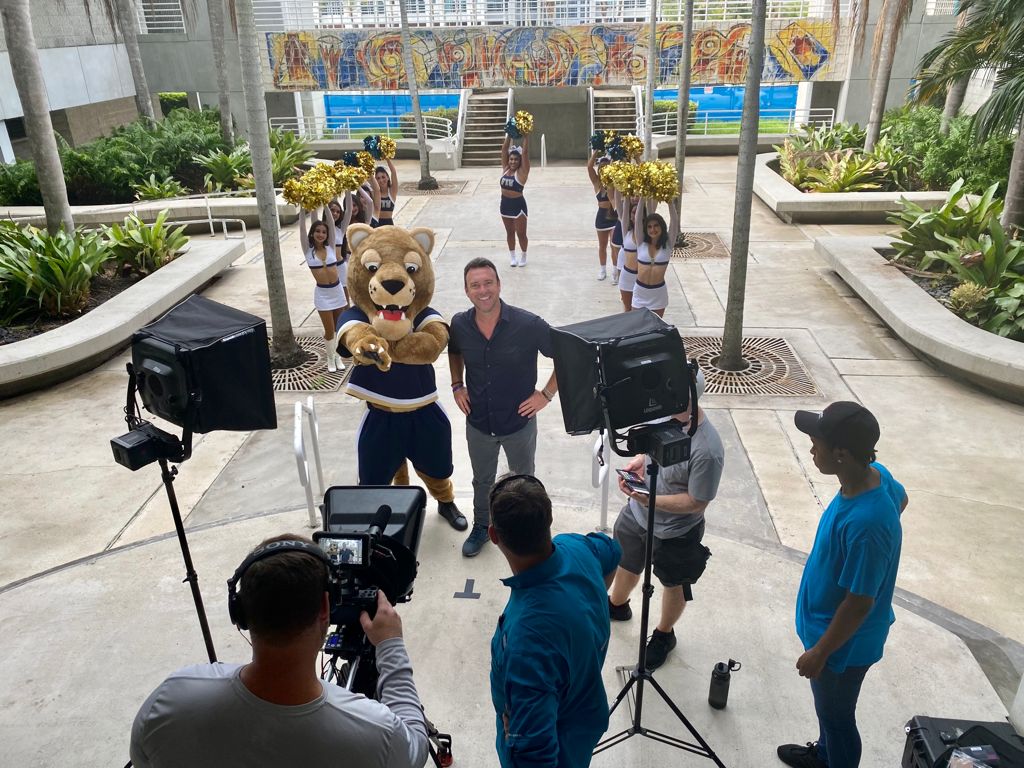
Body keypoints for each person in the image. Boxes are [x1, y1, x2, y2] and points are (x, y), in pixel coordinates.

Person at [130, 534, 429, 768]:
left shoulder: (169, 699)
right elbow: (416, 744)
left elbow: (143, 758)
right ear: (325, 608)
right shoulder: (378, 734)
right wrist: (390, 646)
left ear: (241, 612)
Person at [777, 402, 907, 768]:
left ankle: (835, 758)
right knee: (830, 716)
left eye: (815, 443)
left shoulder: (867, 524)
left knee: (837, 719)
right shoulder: (876, 474)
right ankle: (825, 754)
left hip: (841, 648)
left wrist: (821, 652)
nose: (811, 449)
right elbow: (903, 499)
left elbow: (859, 602)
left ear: (841, 453)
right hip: (831, 634)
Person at [488, 474, 622, 768]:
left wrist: (517, 742)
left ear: (494, 535)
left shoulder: (526, 642)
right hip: (583, 718)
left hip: (562, 749)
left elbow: (536, 758)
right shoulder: (576, 548)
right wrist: (591, 593)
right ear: (549, 519)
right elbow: (613, 552)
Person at [607, 367, 724, 670]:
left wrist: (651, 499)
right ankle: (617, 605)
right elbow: (650, 451)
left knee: (673, 584)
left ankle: (663, 634)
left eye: (674, 399)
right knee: (626, 562)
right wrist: (639, 462)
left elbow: (697, 502)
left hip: (675, 532)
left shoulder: (708, 449)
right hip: (637, 514)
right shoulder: (661, 418)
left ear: (692, 400)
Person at [448, 257, 557, 557]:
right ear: (467, 291)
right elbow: (454, 351)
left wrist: (545, 395)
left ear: (499, 284)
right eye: (475, 285)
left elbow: (566, 355)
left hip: (518, 424)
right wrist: (457, 385)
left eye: (488, 283)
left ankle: (533, 533)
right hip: (479, 422)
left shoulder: (528, 324)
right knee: (482, 480)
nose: (483, 290)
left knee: (525, 481)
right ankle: (483, 526)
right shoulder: (459, 323)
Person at [299, 209, 345, 373]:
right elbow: (302, 229)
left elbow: (332, 225)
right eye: (317, 231)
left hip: (337, 291)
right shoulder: (308, 251)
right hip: (323, 295)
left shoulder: (331, 247)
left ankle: (338, 356)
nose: (321, 234)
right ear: (312, 234)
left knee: (338, 328)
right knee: (328, 330)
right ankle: (330, 358)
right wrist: (303, 208)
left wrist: (324, 202)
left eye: (324, 232)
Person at [632, 207, 670, 318]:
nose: (653, 229)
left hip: (658, 293)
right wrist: (642, 196)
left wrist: (670, 203)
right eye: (649, 227)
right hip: (640, 292)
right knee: (636, 327)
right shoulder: (641, 243)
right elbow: (638, 219)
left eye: (656, 225)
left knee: (655, 329)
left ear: (662, 226)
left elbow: (674, 221)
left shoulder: (668, 244)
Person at [499, 134, 530, 268]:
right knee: (510, 232)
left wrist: (526, 136)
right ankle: (512, 256)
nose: (512, 162)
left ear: (519, 161)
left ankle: (523, 255)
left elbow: (526, 153)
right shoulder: (505, 169)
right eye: (511, 159)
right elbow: (504, 149)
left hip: (518, 205)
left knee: (521, 233)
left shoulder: (522, 172)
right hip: (505, 204)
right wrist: (509, 134)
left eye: (515, 160)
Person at [587, 151, 617, 281]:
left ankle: (615, 271)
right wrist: (596, 152)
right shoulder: (597, 183)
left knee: (614, 245)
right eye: (601, 168)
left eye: (606, 167)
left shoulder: (614, 181)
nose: (604, 170)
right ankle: (603, 269)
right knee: (602, 246)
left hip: (614, 216)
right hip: (601, 217)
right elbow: (589, 167)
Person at [616, 192, 640, 312]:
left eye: (637, 214)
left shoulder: (645, 235)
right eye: (633, 213)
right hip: (626, 270)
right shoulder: (626, 230)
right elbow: (622, 209)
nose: (635, 216)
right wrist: (622, 188)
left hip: (641, 278)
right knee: (627, 309)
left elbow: (648, 209)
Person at [372, 159, 398, 227]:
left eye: (383, 177)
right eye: (378, 178)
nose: (381, 180)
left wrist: (387, 158)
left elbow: (393, 172)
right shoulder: (374, 192)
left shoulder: (392, 191)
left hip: (389, 224)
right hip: (376, 224)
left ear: (388, 178)